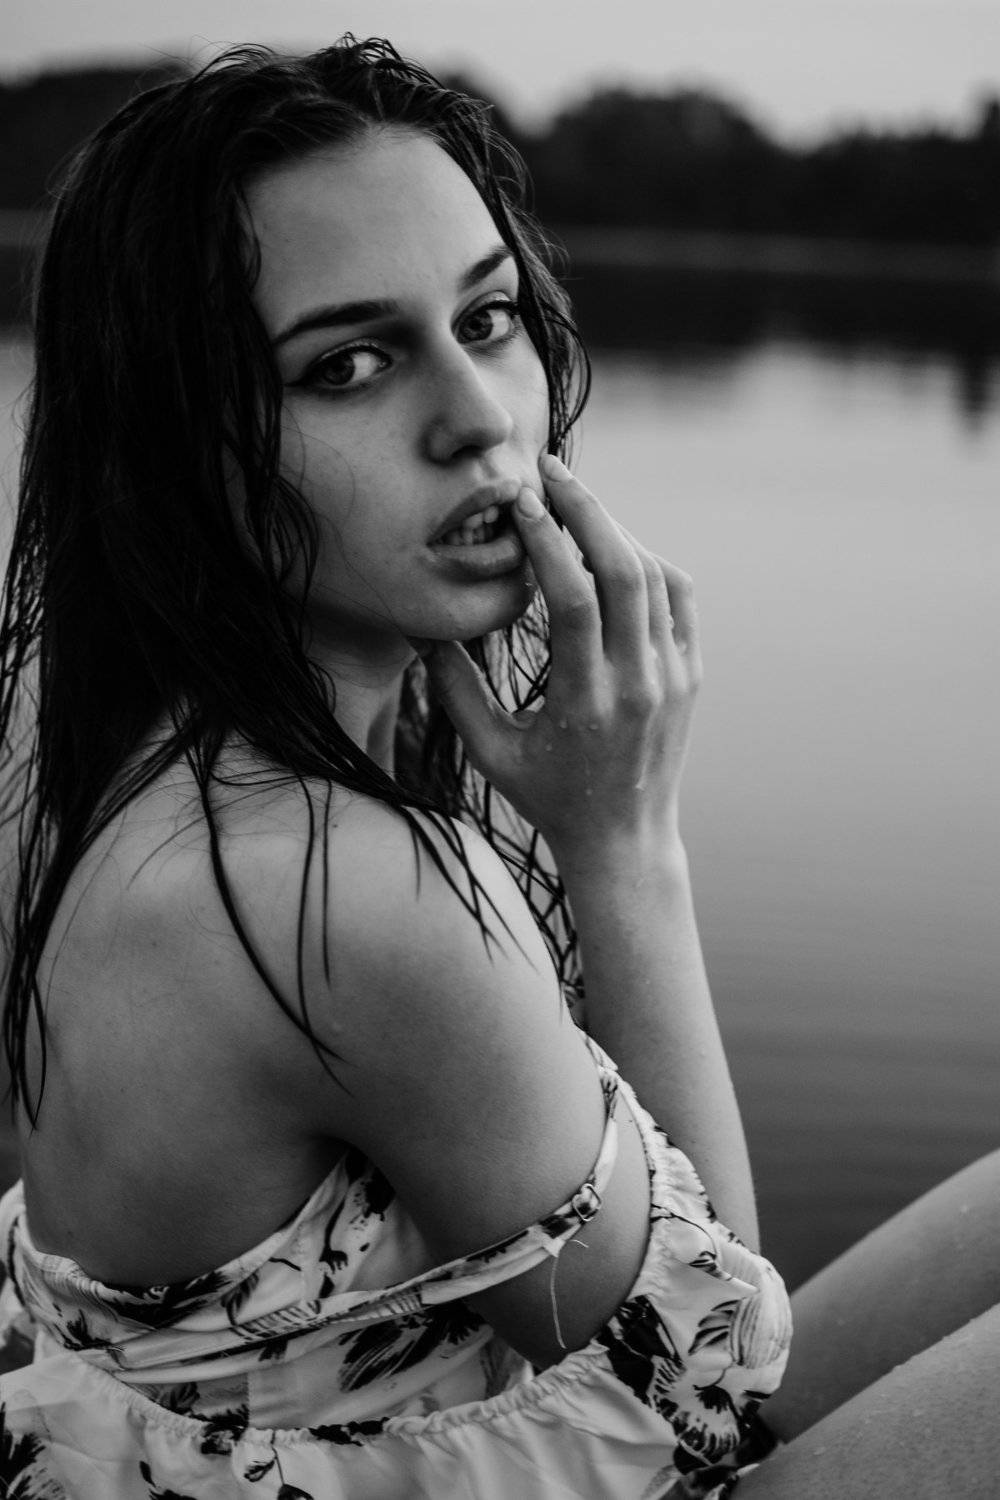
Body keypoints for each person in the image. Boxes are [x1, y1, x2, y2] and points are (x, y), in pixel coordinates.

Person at [0, 36, 994, 1500]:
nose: (477, 417)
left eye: (487, 317)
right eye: (347, 364)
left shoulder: (127, 764)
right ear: (173, 450)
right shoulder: (336, 883)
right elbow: (720, 1390)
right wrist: (624, 841)